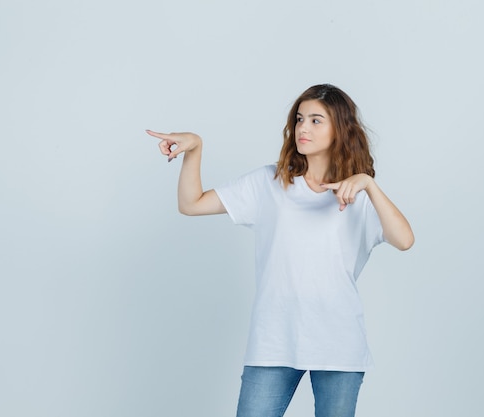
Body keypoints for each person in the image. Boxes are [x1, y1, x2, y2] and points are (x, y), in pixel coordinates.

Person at [146, 84, 414, 417]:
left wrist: (369, 184)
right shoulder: (269, 183)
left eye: (316, 120)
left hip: (338, 344)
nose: (303, 127)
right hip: (273, 341)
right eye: (300, 119)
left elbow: (404, 240)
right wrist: (195, 149)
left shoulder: (360, 195)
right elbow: (191, 204)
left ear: (340, 130)